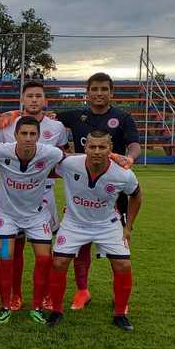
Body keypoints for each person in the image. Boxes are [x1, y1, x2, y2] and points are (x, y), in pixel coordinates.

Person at [56, 72, 141, 310]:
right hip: (82, 192)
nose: (99, 93)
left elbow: (134, 143)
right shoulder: (75, 116)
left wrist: (129, 158)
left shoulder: (123, 118)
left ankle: (120, 299)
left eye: (104, 89)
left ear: (111, 93)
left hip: (112, 192)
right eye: (95, 89)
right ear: (88, 92)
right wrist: (16, 115)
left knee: (120, 249)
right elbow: (46, 120)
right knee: (80, 247)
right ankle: (83, 291)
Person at [46, 128, 143, 331]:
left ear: (110, 148)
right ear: (85, 147)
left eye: (102, 147)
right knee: (59, 262)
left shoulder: (123, 174)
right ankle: (56, 311)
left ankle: (120, 313)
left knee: (123, 265)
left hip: (107, 224)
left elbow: (137, 195)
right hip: (74, 223)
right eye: (92, 146)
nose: (97, 151)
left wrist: (128, 227)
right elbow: (44, 165)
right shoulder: (70, 164)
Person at [0, 80, 69, 311]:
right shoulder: (6, 125)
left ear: (45, 100)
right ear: (23, 99)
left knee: (45, 253)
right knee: (11, 252)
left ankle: (45, 295)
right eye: (30, 96)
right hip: (11, 199)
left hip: (43, 198)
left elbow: (65, 160)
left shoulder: (56, 127)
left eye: (39, 96)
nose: (34, 100)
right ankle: (14, 295)